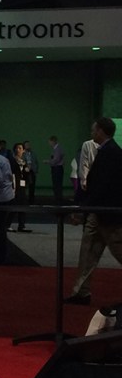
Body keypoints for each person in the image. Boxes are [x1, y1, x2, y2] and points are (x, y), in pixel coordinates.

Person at [66, 118, 122, 305]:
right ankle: (81, 292)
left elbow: (101, 186)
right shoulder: (110, 151)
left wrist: (83, 208)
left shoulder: (110, 153)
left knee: (116, 249)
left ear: (101, 131)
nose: (92, 133)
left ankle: (81, 292)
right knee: (88, 251)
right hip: (100, 212)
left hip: (107, 214)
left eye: (94, 130)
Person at [11, 142, 32, 233]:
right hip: (15, 186)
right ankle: (7, 224)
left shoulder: (23, 162)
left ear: (23, 150)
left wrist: (27, 171)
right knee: (13, 206)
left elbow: (26, 174)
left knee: (23, 205)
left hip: (22, 186)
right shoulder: (12, 161)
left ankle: (22, 225)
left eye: (20, 148)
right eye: (17, 148)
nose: (18, 150)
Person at [48, 135, 65, 204]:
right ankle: (58, 199)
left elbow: (56, 160)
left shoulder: (57, 149)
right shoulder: (56, 149)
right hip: (57, 168)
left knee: (57, 185)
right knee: (56, 185)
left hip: (57, 168)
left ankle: (58, 200)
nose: (49, 143)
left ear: (53, 141)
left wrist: (48, 162)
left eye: (50, 142)